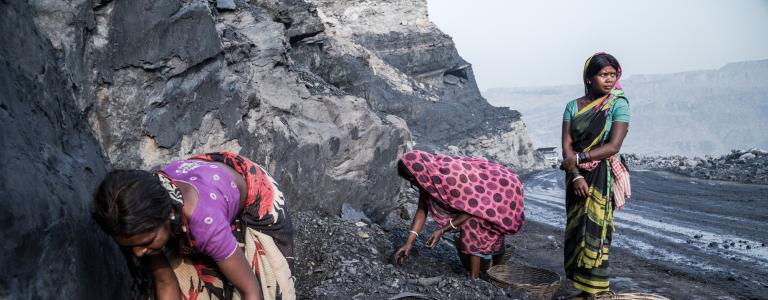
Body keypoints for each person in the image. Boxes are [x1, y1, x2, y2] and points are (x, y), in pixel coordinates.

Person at [92, 152, 295, 300]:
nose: (137, 253)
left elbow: (251, 291)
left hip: (251, 196)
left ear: (168, 214)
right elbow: (165, 281)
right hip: (200, 182)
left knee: (270, 288)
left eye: (145, 242)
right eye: (130, 247)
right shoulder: (137, 222)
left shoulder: (205, 223)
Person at [560, 52, 631, 298]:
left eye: (613, 75)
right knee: (575, 229)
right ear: (589, 78)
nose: (609, 80)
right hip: (575, 177)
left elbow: (613, 147)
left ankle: (596, 292)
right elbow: (567, 146)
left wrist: (578, 160)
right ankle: (582, 290)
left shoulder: (618, 104)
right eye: (603, 75)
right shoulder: (572, 106)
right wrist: (576, 175)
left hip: (602, 174)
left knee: (597, 231)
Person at [394, 150, 525, 279]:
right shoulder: (426, 179)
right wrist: (409, 243)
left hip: (502, 190)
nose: (412, 183)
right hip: (479, 199)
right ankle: (484, 276)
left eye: (411, 179)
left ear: (418, 171)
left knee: (475, 224)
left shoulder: (450, 176)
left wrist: (442, 230)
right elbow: (422, 209)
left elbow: (472, 208)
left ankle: (481, 278)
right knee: (475, 225)